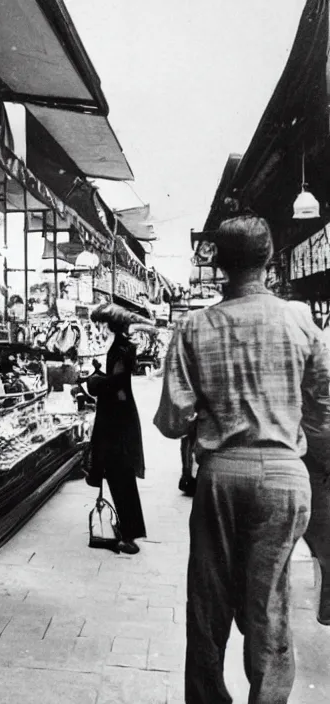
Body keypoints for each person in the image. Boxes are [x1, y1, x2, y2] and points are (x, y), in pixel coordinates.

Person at [154, 214, 330, 704]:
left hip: (222, 476)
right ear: (269, 259)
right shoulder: (300, 320)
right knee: (269, 602)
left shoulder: (194, 326)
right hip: (286, 477)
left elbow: (172, 421)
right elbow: (324, 407)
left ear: (218, 263)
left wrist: (217, 404)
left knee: (208, 604)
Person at [85, 304, 146, 555]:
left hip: (117, 422)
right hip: (117, 418)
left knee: (120, 476)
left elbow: (117, 383)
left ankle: (130, 536)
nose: (98, 327)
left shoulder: (121, 348)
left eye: (100, 323)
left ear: (108, 324)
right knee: (118, 475)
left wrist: (94, 382)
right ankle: (127, 528)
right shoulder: (122, 345)